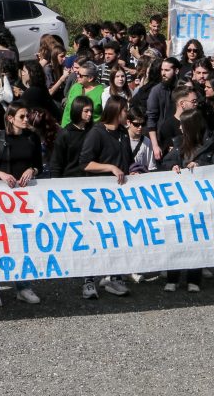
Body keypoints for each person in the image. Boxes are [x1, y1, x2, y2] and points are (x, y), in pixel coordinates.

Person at [0, 103, 44, 306]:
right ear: (10, 118)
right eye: (22, 116)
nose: (26, 120)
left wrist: (32, 170)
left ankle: (23, 287)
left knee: (21, 242)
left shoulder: (32, 138)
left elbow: (39, 166)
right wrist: (0, 174)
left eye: (27, 116)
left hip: (23, 200)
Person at [160, 109, 214, 293]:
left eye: (182, 125)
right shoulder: (178, 144)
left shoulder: (212, 144)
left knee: (196, 239)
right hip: (180, 200)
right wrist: (173, 165)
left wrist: (202, 167)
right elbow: (165, 162)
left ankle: (194, 278)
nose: (179, 127)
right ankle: (173, 278)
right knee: (176, 238)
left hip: (200, 201)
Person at [79, 99, 133, 299]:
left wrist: (131, 171)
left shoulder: (122, 133)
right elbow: (85, 163)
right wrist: (109, 168)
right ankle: (89, 280)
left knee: (118, 236)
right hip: (98, 196)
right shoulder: (97, 133)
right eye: (125, 110)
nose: (127, 113)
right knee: (95, 236)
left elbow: (127, 160)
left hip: (119, 195)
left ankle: (115, 277)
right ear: (116, 111)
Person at [61, 60, 105, 127]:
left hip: (90, 132)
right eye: (77, 73)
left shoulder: (102, 92)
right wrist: (63, 127)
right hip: (69, 129)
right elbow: (67, 109)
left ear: (90, 78)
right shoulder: (75, 87)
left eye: (80, 75)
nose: (77, 76)